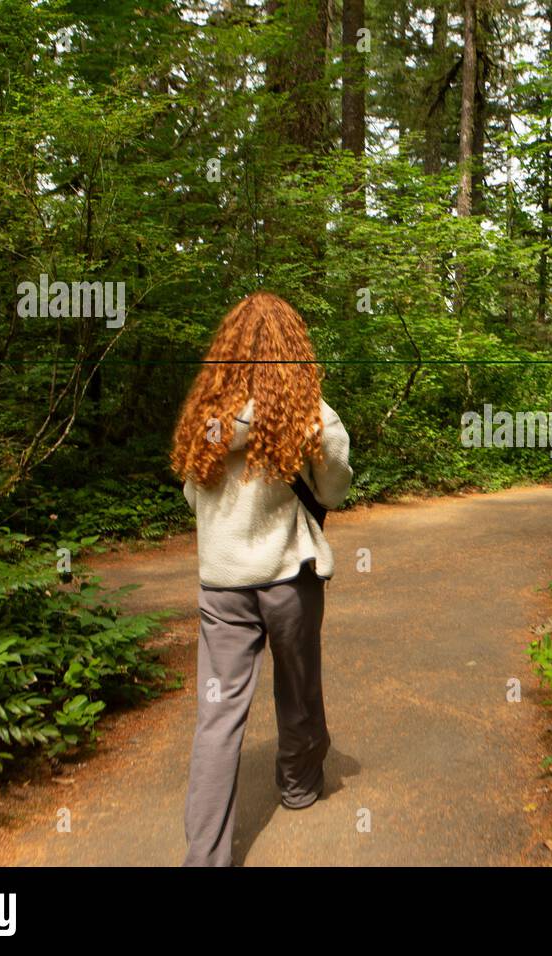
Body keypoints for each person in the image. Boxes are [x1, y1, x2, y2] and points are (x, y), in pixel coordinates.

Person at [169, 290, 353, 867]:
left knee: (218, 715)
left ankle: (206, 856)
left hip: (221, 584)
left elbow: (192, 493)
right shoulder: (311, 414)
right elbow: (334, 491)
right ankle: (297, 786)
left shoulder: (207, 422)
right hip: (287, 578)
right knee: (298, 690)